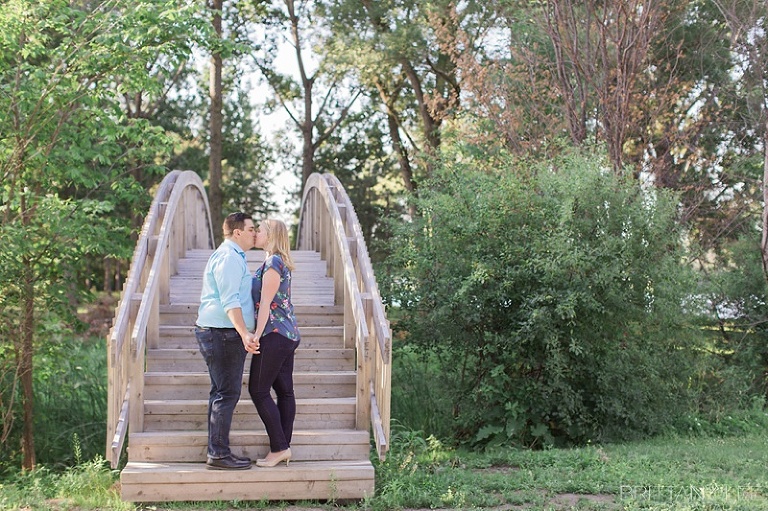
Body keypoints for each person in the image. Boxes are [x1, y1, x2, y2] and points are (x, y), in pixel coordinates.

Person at [195, 212, 260, 470]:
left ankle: (217, 451)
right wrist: (245, 333)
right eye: (251, 229)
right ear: (237, 232)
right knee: (227, 393)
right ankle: (219, 454)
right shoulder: (229, 258)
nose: (255, 233)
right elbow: (229, 300)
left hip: (220, 331)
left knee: (220, 392)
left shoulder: (233, 256)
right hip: (222, 333)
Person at [248, 218, 301, 468]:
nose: (255, 233)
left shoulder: (273, 263)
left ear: (270, 235)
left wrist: (256, 335)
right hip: (286, 334)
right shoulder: (277, 261)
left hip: (275, 334)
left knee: (258, 390)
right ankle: (283, 447)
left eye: (259, 230)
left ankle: (279, 447)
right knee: (284, 392)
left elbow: (265, 305)